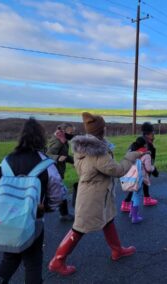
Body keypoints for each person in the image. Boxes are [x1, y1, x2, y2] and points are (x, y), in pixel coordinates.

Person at [48, 112, 143, 276]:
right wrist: (131, 156)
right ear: (101, 130)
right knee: (78, 229)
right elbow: (118, 170)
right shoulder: (97, 152)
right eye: (104, 126)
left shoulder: (83, 148)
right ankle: (57, 261)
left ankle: (117, 250)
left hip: (96, 194)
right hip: (92, 198)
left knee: (108, 219)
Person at [0, 118, 65, 284]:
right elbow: (57, 193)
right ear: (41, 138)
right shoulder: (46, 164)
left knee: (9, 260)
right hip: (33, 219)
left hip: (6, 219)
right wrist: (48, 207)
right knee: (32, 263)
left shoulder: (6, 161)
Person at [121, 122, 159, 212]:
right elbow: (149, 159)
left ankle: (147, 198)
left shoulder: (140, 140)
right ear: (148, 133)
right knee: (137, 184)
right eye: (152, 132)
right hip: (142, 167)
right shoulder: (146, 144)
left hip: (136, 166)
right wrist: (153, 169)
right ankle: (126, 203)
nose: (154, 134)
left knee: (144, 181)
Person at [46, 122, 75, 221]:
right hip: (53, 171)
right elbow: (47, 154)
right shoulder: (58, 142)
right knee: (62, 192)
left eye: (73, 132)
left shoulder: (63, 140)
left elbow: (65, 155)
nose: (72, 134)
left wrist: (76, 161)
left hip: (57, 170)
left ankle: (63, 213)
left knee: (59, 191)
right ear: (63, 131)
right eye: (70, 132)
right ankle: (64, 214)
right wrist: (57, 157)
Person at [129, 137, 155, 224]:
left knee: (133, 194)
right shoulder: (146, 155)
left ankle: (131, 212)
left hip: (132, 177)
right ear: (145, 145)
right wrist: (153, 168)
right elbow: (148, 168)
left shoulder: (132, 153)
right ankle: (135, 217)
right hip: (140, 178)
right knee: (137, 196)